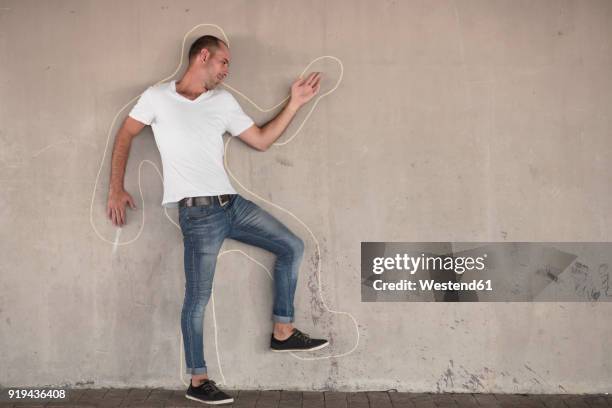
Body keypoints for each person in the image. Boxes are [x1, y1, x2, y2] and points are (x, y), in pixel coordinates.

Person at [106, 35, 329, 405]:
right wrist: (116, 188)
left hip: (232, 206)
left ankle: (283, 330)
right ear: (203, 56)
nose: (227, 70)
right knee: (197, 299)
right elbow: (126, 134)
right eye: (223, 62)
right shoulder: (157, 97)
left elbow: (259, 140)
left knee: (292, 245)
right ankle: (198, 380)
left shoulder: (222, 102)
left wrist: (295, 103)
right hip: (197, 215)